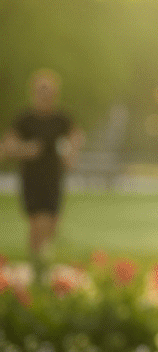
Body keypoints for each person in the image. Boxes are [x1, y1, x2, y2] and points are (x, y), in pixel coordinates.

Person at [0, 69, 84, 282]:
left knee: (51, 222)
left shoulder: (61, 119)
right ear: (34, 92)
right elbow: (6, 147)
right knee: (37, 222)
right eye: (41, 90)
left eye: (49, 90)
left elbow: (76, 137)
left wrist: (71, 154)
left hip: (53, 178)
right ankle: (39, 267)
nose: (45, 94)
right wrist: (25, 150)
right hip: (32, 179)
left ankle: (40, 264)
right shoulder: (25, 120)